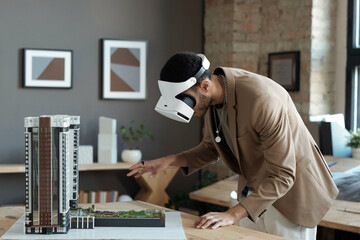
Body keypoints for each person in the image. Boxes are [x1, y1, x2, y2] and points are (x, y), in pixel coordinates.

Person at [127, 52, 339, 239]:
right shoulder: (213, 99)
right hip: (255, 191)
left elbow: (284, 174)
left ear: (205, 85)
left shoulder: (262, 100)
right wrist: (170, 161)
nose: (189, 111)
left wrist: (232, 214)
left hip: (292, 194)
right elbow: (212, 147)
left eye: (188, 102)